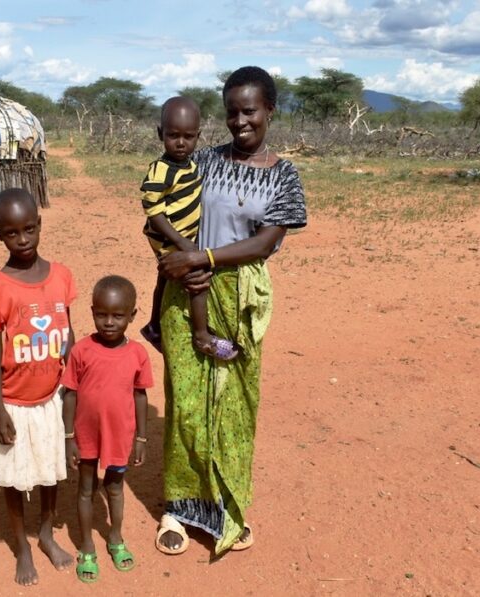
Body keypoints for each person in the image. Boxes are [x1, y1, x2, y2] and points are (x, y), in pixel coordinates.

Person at [154, 66, 307, 556]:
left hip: (240, 297)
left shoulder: (284, 175)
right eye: (232, 112)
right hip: (187, 292)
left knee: (236, 406)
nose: (240, 122)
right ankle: (178, 508)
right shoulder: (197, 160)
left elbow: (266, 241)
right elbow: (156, 216)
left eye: (250, 111)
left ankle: (225, 507)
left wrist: (205, 257)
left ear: (269, 111)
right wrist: (179, 266)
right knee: (186, 403)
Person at [0, 188, 76, 586]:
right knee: (15, 478)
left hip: (52, 397)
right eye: (12, 233)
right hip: (14, 402)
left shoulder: (62, 276)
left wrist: (72, 384)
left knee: (50, 473)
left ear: (40, 224)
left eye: (30, 229)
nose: (23, 240)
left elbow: (68, 331)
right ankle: (22, 544)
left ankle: (48, 534)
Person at [61, 275, 153, 583]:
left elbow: (140, 394)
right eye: (101, 314)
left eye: (117, 316)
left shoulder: (138, 354)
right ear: (92, 311)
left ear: (132, 316)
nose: (109, 322)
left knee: (114, 487)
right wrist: (69, 437)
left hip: (119, 436)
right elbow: (70, 394)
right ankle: (87, 545)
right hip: (86, 434)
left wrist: (140, 437)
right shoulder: (81, 352)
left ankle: (115, 537)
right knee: (85, 489)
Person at [139, 96, 239, 360]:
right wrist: (183, 244)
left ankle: (154, 326)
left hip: (178, 236)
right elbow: (153, 210)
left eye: (188, 136)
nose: (181, 143)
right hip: (167, 237)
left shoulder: (191, 165)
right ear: (161, 134)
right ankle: (202, 335)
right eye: (173, 135)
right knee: (198, 276)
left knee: (164, 278)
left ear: (198, 136)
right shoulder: (161, 170)